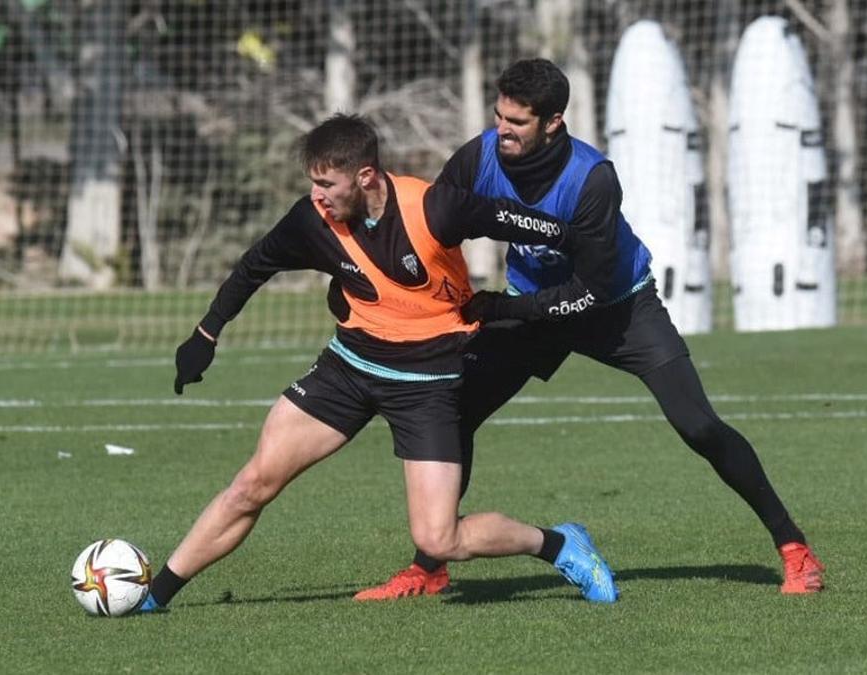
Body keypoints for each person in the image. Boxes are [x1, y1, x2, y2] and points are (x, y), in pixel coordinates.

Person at [354, 59, 824, 601]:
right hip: (530, 306)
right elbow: (434, 226)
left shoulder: (592, 178)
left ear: (553, 121)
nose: (502, 129)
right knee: (454, 413)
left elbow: (592, 291)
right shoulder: (479, 157)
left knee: (698, 425)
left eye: (517, 121)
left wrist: (504, 309)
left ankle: (793, 546)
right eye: (499, 115)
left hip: (618, 310)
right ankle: (430, 566)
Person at [138, 113, 619, 612]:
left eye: (327, 184)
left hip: (426, 384)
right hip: (345, 370)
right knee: (252, 485)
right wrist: (205, 334)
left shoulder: (435, 208)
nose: (317, 195)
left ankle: (559, 544)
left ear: (365, 176)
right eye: (313, 183)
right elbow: (253, 266)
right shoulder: (311, 220)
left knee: (439, 539)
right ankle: (154, 595)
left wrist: (591, 248)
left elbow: (528, 223)